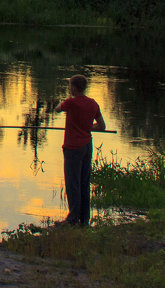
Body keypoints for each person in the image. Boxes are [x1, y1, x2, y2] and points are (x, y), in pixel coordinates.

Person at [55, 73, 105, 226]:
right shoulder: (93, 104)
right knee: (84, 182)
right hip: (86, 146)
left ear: (75, 88)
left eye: (70, 86)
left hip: (72, 147)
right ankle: (84, 219)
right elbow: (102, 126)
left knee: (72, 183)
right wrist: (87, 127)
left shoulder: (71, 103)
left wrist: (65, 103)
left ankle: (72, 219)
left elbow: (57, 109)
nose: (69, 89)